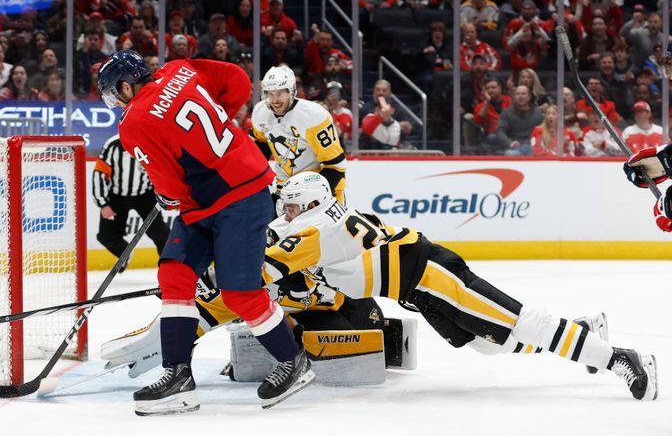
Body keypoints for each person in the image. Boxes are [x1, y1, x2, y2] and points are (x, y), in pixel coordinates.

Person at [259, 173, 657, 401]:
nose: (285, 214)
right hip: (418, 288)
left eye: (291, 207)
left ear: (311, 204)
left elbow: (274, 263)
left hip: (433, 274)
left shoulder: (314, 231)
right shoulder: (323, 219)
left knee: (521, 321)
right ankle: (582, 330)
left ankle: (619, 358)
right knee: (485, 343)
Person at [97, 50, 313, 414]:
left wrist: (170, 195)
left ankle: (294, 360)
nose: (115, 103)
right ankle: (178, 376)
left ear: (125, 86)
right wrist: (215, 129)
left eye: (113, 95)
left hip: (237, 198)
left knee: (240, 294)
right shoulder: (179, 69)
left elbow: (169, 187)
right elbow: (239, 83)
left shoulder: (133, 123)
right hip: (224, 194)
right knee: (175, 274)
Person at [251, 65, 349, 203]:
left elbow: (336, 165)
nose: (275, 99)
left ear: (291, 91)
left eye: (280, 93)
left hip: (319, 188)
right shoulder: (261, 112)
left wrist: (316, 198)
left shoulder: (314, 116)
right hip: (285, 189)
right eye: (270, 93)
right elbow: (261, 144)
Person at [93, 134, 169, 266]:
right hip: (118, 196)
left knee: (161, 234)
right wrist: (103, 203)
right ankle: (124, 252)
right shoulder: (113, 145)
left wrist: (164, 190)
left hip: (145, 195)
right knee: (106, 236)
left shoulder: (152, 141)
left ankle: (170, 267)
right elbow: (99, 174)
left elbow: (162, 168)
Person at [495, 84, 542, 156]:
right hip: (515, 146)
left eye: (523, 94)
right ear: (514, 97)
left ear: (529, 97)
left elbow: (544, 130)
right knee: (510, 154)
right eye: (518, 94)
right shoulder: (507, 112)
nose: (520, 96)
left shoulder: (538, 112)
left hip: (533, 146)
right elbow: (500, 131)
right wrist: (509, 142)